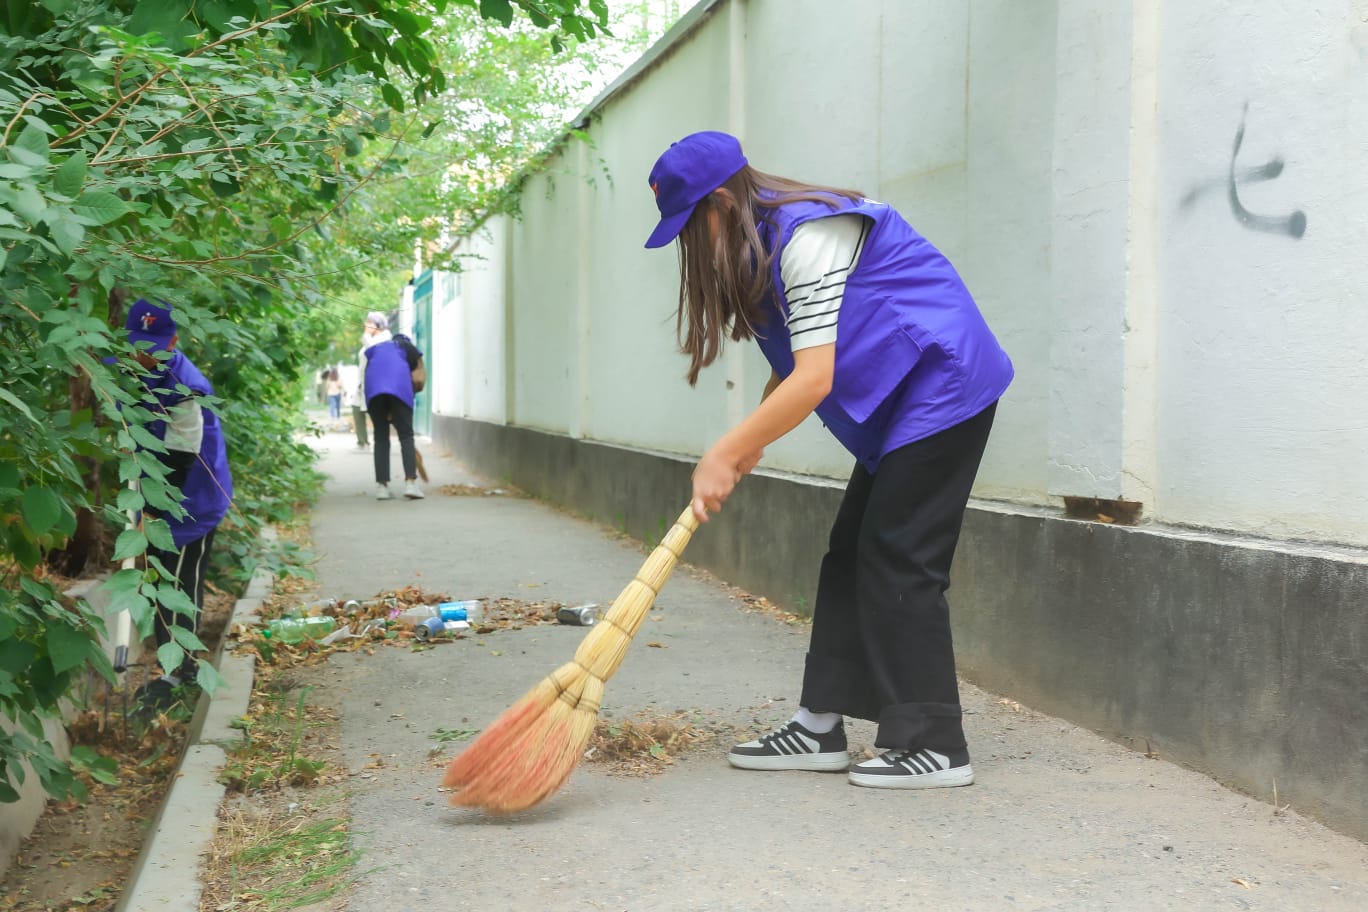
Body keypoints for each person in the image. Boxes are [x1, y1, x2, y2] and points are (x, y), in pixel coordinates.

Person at [643, 131, 1013, 789]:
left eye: (687, 226)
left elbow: (815, 379)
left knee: (901, 553)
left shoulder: (807, 238)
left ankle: (937, 745)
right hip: (906, 396)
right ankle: (819, 726)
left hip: (946, 383)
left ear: (720, 205)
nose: (686, 246)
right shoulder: (764, 246)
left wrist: (724, 451)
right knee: (850, 553)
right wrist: (749, 442)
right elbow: (793, 370)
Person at [117, 297, 234, 717]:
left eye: (156, 347)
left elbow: (180, 459)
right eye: (138, 346)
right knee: (156, 571)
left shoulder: (187, 387)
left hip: (193, 500)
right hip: (151, 491)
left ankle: (180, 671)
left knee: (181, 581)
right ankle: (168, 654)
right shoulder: (123, 370)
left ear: (175, 340)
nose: (146, 355)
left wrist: (151, 514)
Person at [361, 311, 425, 500]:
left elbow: (367, 373)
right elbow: (419, 373)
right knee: (406, 436)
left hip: (374, 391)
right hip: (398, 389)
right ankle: (411, 484)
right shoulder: (406, 347)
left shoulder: (375, 350)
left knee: (381, 437)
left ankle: (382, 487)